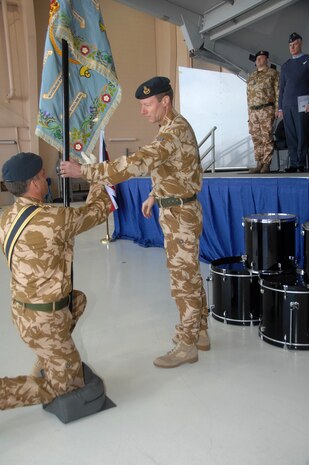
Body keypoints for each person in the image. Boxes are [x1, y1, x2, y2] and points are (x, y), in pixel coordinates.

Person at [60, 76, 210, 369]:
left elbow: (137, 163)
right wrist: (155, 194)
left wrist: (85, 171)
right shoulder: (170, 128)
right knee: (188, 275)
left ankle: (187, 344)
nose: (143, 111)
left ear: (165, 101)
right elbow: (178, 167)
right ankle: (200, 330)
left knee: (183, 281)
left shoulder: (173, 131)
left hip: (180, 216)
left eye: (147, 104)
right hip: (177, 209)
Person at [0, 152, 112, 410]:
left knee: (78, 300)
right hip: (44, 321)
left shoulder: (7, 215)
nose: (46, 179)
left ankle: (49, 355)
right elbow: (97, 212)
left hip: (22, 313)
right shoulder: (53, 218)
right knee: (63, 387)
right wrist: (95, 177)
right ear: (34, 184)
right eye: (42, 176)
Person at [278, 32, 309, 172]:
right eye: (290, 45)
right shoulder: (285, 65)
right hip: (287, 105)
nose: (292, 47)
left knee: (302, 133)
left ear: (300, 43)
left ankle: (301, 163)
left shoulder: (307, 60)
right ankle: (294, 163)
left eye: (295, 44)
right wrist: (280, 108)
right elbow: (282, 88)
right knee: (290, 135)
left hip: (302, 103)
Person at [247, 50, 280, 174]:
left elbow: (278, 92)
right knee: (256, 137)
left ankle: (266, 164)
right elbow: (248, 96)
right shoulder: (251, 76)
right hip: (253, 111)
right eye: (257, 59)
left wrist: (277, 108)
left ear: (267, 59)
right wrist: (249, 114)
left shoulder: (273, 73)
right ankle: (259, 163)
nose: (259, 60)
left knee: (267, 136)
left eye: (262, 58)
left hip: (267, 109)